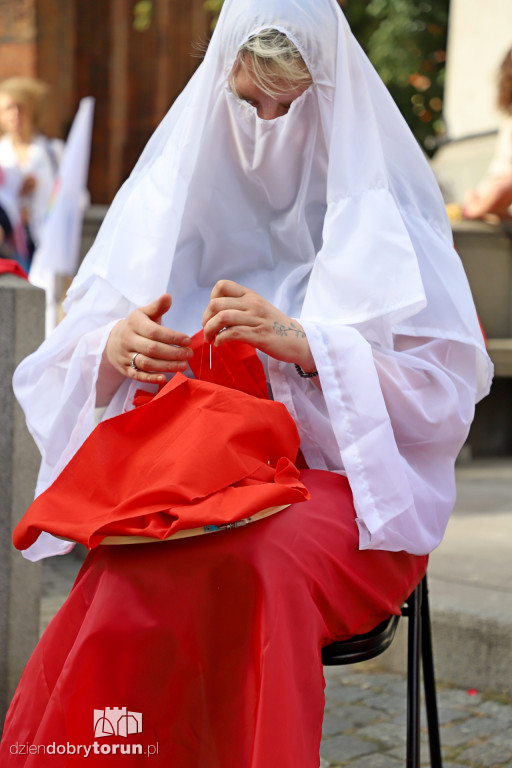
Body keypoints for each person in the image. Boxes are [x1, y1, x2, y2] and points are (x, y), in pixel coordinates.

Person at [0, 1, 492, 766]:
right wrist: (113, 345)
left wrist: (307, 346)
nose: (267, 127)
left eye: (289, 106)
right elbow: (60, 359)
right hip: (196, 482)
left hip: (342, 494)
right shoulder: (171, 198)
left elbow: (443, 397)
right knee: (129, 567)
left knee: (255, 559)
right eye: (246, 102)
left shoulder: (386, 212)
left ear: (330, 100)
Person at [0, 76, 63, 264]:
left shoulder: (54, 151)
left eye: (20, 107)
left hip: (48, 243)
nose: (15, 114)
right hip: (11, 248)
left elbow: (77, 199)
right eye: (8, 108)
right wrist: (19, 196)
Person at [463, 46, 512, 221]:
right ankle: (478, 208)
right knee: (487, 191)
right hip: (499, 187)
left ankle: (478, 209)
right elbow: (501, 165)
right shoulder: (508, 117)